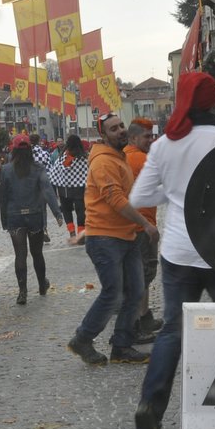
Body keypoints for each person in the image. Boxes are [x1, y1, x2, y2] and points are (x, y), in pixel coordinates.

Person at [130, 73, 215, 429]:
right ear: (213, 101)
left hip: (179, 250)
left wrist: (177, 192)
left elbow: (140, 197)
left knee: (172, 332)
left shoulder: (165, 145)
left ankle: (150, 405)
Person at [67, 112, 157, 366]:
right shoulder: (103, 162)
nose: (120, 131)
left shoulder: (120, 158)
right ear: (103, 135)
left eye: (120, 126)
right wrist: (145, 224)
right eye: (113, 128)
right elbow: (115, 200)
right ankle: (82, 339)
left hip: (125, 235)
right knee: (113, 293)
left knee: (135, 291)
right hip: (105, 239)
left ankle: (122, 345)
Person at [0, 135, 64, 304]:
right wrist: (57, 213)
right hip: (34, 215)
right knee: (37, 253)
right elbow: (48, 191)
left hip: (14, 216)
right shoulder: (38, 168)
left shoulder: (6, 170)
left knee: (20, 254)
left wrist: (4, 219)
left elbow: (3, 196)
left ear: (13, 150)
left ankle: (22, 292)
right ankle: (42, 285)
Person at [124, 119, 160, 337]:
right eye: (147, 136)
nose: (151, 140)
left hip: (134, 225)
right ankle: (137, 322)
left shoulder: (124, 156)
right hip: (143, 225)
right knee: (144, 274)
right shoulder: (141, 159)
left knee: (140, 276)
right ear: (134, 138)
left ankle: (144, 317)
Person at [48, 134, 89, 244]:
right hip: (79, 189)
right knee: (81, 211)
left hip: (64, 189)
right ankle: (81, 234)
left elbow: (54, 173)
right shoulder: (83, 158)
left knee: (66, 210)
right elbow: (88, 173)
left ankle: (71, 231)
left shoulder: (62, 158)